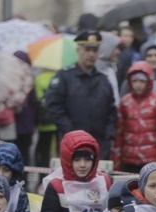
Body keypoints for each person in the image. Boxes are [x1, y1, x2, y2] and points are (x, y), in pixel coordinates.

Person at [44, 31, 117, 159]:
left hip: (99, 143)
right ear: (78, 50)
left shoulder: (103, 79)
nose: (91, 54)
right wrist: (70, 131)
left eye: (95, 50)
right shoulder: (65, 76)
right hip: (72, 142)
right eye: (87, 50)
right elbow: (53, 106)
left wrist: (109, 132)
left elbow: (111, 109)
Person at [112, 61, 156, 173]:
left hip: (151, 159)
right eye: (135, 81)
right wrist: (116, 159)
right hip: (129, 159)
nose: (138, 85)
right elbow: (119, 133)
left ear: (149, 82)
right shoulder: (125, 102)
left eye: (142, 81)